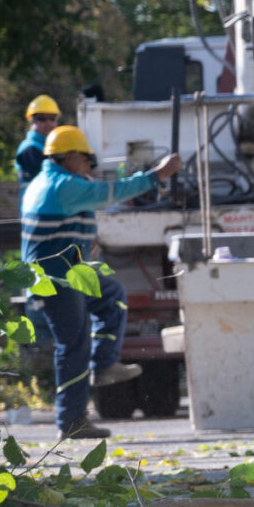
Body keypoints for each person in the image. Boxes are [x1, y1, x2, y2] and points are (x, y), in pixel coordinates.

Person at [21, 125, 180, 440]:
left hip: (66, 273)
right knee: (73, 345)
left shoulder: (49, 182)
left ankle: (104, 364)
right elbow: (111, 194)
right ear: (70, 157)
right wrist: (156, 175)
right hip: (55, 281)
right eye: (86, 161)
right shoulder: (62, 184)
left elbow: (74, 217)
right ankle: (71, 422)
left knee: (112, 294)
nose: (89, 168)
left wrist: (86, 240)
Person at [14, 94, 62, 185]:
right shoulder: (30, 149)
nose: (48, 123)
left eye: (52, 118)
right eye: (42, 119)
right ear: (31, 122)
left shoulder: (51, 148)